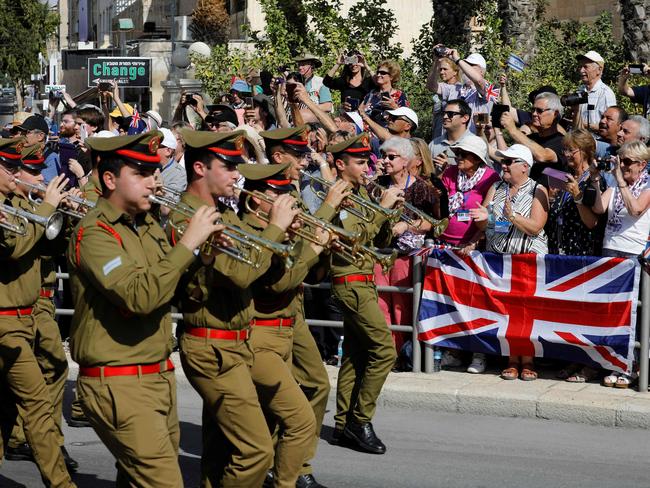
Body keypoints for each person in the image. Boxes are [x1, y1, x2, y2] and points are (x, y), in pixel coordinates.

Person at [67, 130, 222, 486]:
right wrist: (187, 245)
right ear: (109, 179)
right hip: (119, 381)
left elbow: (175, 289)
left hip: (156, 373)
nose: (154, 181)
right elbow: (139, 297)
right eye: (141, 173)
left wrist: (204, 256)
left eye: (154, 172)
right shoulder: (95, 234)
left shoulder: (149, 225)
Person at [168, 129, 299, 488]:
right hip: (213, 345)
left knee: (221, 449)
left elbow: (258, 262)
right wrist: (274, 231)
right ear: (199, 168)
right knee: (256, 451)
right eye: (227, 166)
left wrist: (283, 236)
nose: (236, 175)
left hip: (235, 342)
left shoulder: (219, 212)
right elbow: (241, 275)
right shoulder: (187, 217)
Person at [239, 162, 345, 488]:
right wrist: (313, 248)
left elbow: (310, 276)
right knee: (295, 420)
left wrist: (323, 250)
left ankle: (287, 467)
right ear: (256, 199)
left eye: (288, 192)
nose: (288, 200)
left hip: (286, 329)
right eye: (278, 193)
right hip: (260, 334)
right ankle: (288, 477)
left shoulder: (280, 228)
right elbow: (276, 284)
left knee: (281, 413)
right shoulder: (251, 233)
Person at [0, 138, 77, 488]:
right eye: (12, 169)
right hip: (5, 323)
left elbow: (47, 246)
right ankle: (61, 482)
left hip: (28, 315)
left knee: (8, 409)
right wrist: (46, 207)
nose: (18, 174)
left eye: (20, 167)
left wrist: (64, 213)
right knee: (35, 403)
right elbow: (14, 248)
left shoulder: (17, 202)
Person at [328, 133, 403, 454]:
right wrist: (381, 210)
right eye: (360, 162)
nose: (367, 167)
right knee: (385, 351)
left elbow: (380, 238)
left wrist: (390, 212)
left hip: (365, 278)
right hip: (348, 279)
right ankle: (361, 420)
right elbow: (353, 239)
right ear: (341, 164)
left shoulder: (362, 193)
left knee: (357, 356)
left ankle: (344, 424)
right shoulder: (333, 197)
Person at [469, 144, 549, 381]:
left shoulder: (538, 189)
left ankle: (528, 360)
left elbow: (535, 227)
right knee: (507, 311)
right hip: (500, 259)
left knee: (526, 312)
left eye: (509, 162)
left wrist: (510, 216)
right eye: (503, 161)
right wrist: (485, 220)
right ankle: (512, 358)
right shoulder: (496, 187)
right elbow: (491, 225)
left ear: (525, 167)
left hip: (527, 260)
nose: (503, 165)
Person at [370, 137, 442, 360]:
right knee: (380, 303)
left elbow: (433, 222)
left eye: (392, 157)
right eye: (384, 156)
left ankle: (402, 352)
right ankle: (386, 353)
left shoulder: (422, 188)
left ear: (406, 160)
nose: (386, 161)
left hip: (406, 254)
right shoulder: (377, 185)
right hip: (380, 252)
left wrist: (408, 224)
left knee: (402, 305)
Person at [437, 135, 500, 372]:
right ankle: (454, 350)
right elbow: (442, 205)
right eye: (457, 154)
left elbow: (490, 217)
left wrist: (475, 241)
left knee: (475, 303)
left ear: (476, 158)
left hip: (474, 248)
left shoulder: (490, 178)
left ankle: (478, 354)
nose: (458, 158)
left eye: (463, 154)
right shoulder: (451, 173)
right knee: (451, 302)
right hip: (448, 247)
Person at [590, 140, 650, 259]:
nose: (622, 166)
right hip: (610, 247)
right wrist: (594, 180)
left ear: (642, 165)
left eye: (627, 162)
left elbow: (635, 210)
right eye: (620, 161)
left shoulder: (647, 184)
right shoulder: (616, 182)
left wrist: (620, 181)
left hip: (634, 250)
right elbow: (598, 208)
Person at [547, 129, 601, 256]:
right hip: (557, 249)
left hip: (580, 251)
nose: (566, 154)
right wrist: (551, 198)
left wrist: (577, 195)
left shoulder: (594, 179)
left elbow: (592, 222)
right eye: (565, 150)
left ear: (585, 151)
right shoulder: (565, 176)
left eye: (571, 150)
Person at [499, 92, 567, 183]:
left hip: (547, 195)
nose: (534, 114)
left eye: (539, 110)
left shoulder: (562, 141)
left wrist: (513, 130)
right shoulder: (531, 138)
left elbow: (542, 156)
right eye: (533, 109)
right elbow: (507, 158)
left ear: (555, 114)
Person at [428, 47, 498, 134]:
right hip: (449, 143)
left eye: (471, 65)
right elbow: (431, 86)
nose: (465, 68)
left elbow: (479, 81)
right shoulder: (455, 88)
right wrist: (436, 62)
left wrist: (457, 59)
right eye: (465, 64)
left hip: (473, 142)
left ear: (481, 71)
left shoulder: (489, 89)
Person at [573, 51, 617, 132]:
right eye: (580, 66)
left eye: (585, 67)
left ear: (599, 70)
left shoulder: (605, 93)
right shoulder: (581, 90)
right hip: (579, 138)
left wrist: (582, 124)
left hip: (597, 141)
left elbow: (610, 126)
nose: (581, 70)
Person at [429, 99, 474, 171]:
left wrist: (448, 168)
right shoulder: (434, 144)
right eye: (444, 113)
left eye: (450, 114)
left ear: (465, 118)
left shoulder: (474, 143)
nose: (445, 117)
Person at [362, 60, 409, 125]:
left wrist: (395, 107)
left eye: (383, 73)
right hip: (366, 132)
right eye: (378, 72)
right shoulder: (372, 93)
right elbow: (361, 110)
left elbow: (407, 119)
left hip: (386, 133)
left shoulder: (400, 95)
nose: (378, 75)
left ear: (391, 77)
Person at [426, 55, 462, 140]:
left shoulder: (458, 89)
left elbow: (431, 86)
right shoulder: (444, 86)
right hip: (438, 134)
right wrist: (436, 63)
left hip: (451, 136)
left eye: (445, 69)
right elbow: (430, 85)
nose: (441, 72)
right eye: (440, 69)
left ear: (455, 72)